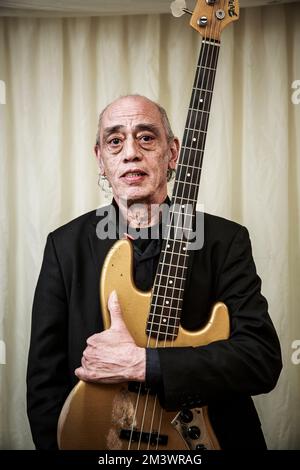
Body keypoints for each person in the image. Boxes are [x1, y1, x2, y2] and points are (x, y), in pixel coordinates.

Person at [27, 95, 282, 450]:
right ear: (100, 159)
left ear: (173, 152)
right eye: (115, 141)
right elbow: (44, 384)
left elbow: (261, 361)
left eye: (146, 137)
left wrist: (146, 364)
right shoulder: (64, 246)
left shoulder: (226, 240)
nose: (131, 152)